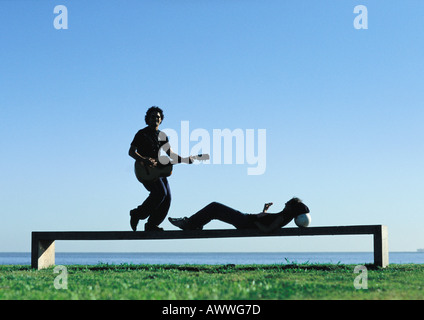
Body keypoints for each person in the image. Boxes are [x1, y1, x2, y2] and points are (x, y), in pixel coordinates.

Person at [129, 106, 193, 231]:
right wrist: (143, 159)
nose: (156, 119)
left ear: (161, 120)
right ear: (148, 119)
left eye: (158, 117)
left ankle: (152, 224)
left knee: (167, 198)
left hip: (159, 170)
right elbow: (131, 152)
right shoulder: (141, 134)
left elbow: (171, 154)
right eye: (153, 117)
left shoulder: (162, 135)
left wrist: (185, 159)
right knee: (160, 193)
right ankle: (137, 214)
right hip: (145, 170)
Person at [168, 197, 310, 232]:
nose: (285, 203)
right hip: (246, 219)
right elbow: (268, 222)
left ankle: (190, 224)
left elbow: (267, 229)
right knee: (214, 210)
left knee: (214, 206)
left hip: (245, 221)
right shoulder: (283, 216)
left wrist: (254, 221)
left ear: (291, 207)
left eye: (288, 203)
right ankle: (194, 224)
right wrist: (264, 212)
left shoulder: (282, 217)